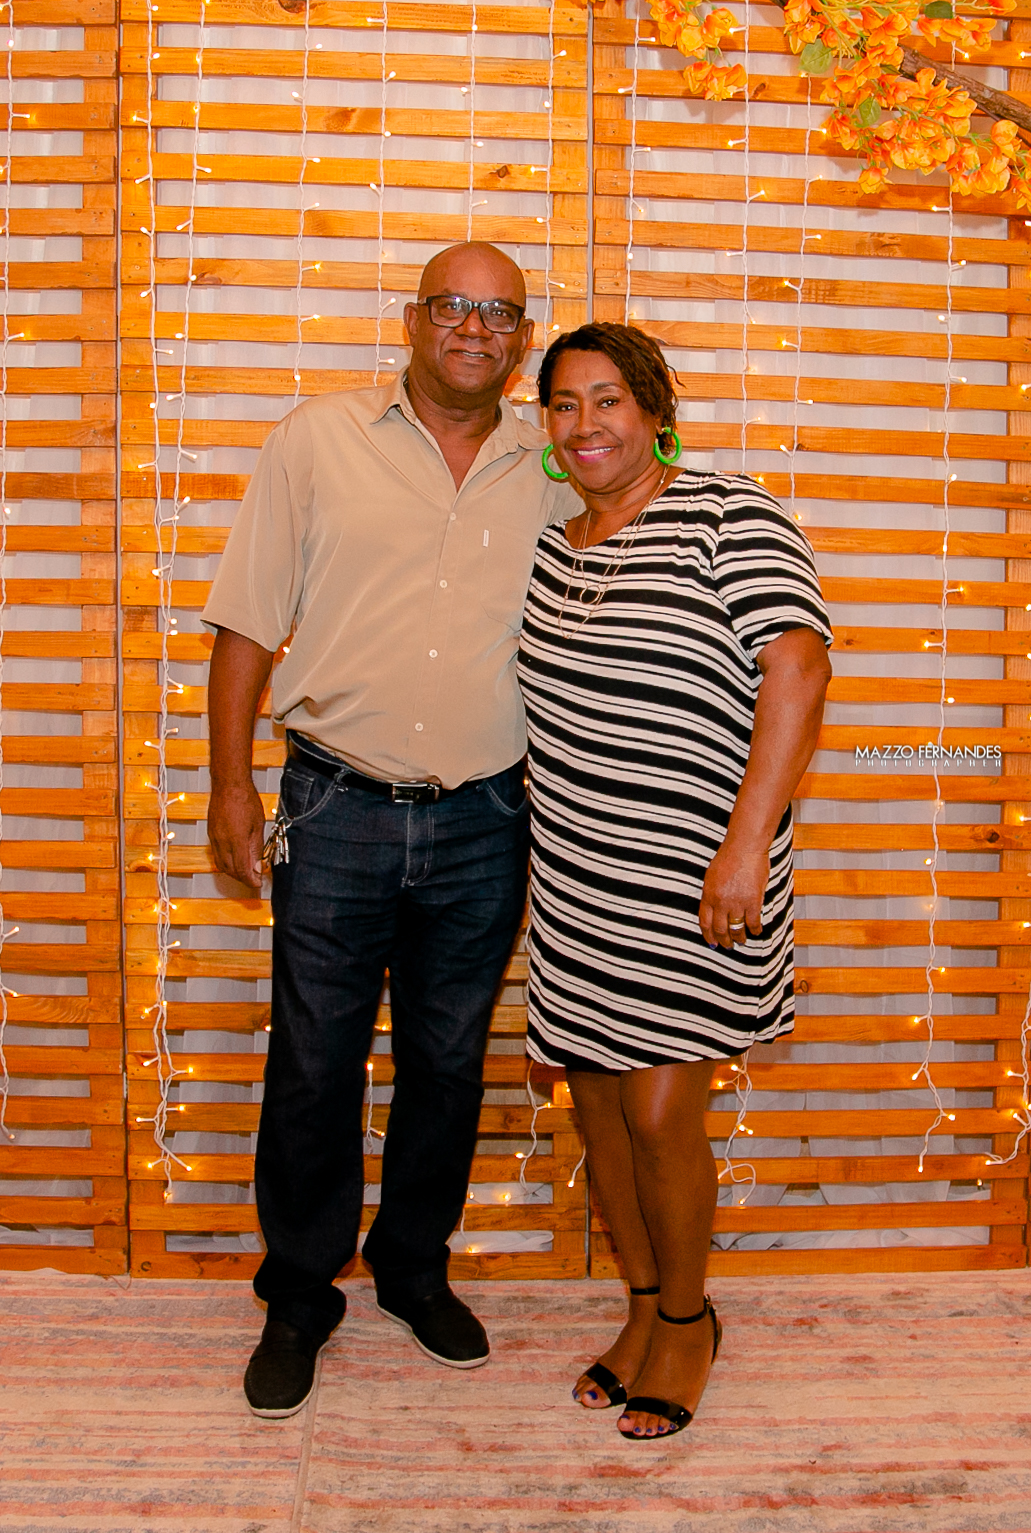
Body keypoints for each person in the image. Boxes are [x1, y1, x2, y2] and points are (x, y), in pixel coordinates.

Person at [203, 242, 575, 1418]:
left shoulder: (552, 458)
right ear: (412, 320)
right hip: (334, 803)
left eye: (499, 314)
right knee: (313, 1061)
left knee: (447, 1061)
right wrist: (228, 786)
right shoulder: (317, 440)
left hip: (487, 813)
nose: (474, 328)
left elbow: (650, 485)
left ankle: (413, 1269)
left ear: (522, 338)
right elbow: (245, 620)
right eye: (452, 306)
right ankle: (299, 1292)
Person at [518, 323, 832, 1441]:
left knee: (659, 1111)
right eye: (564, 404)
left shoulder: (724, 514)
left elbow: (798, 670)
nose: (585, 423)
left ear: (654, 412)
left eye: (608, 399)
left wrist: (746, 846)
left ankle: (690, 1322)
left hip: (698, 873)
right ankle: (644, 1306)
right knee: (598, 1107)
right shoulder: (554, 549)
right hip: (577, 878)